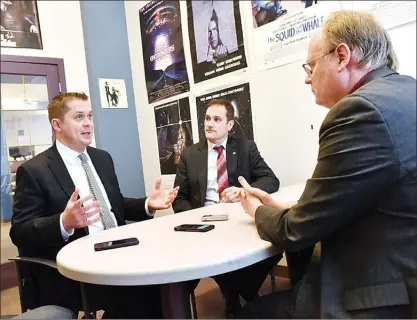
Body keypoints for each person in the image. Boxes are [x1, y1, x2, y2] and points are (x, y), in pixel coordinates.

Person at [238, 11, 416, 318]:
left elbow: (296, 232)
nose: (307, 77)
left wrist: (255, 210)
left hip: (384, 291)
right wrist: (286, 207)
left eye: (310, 65)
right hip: (403, 258)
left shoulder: (359, 111)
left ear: (342, 56)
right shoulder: (406, 90)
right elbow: (364, 192)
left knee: (251, 313)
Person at [10, 92, 179, 319]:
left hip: (120, 251)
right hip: (74, 268)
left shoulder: (102, 158)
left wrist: (148, 204)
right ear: (57, 125)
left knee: (170, 281)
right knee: (144, 294)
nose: (88, 123)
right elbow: (20, 232)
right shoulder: (34, 170)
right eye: (79, 117)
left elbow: (113, 205)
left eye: (90, 116)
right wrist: (63, 222)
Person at [173, 99, 281, 318]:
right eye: (207, 118)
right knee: (212, 253)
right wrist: (197, 218)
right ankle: (238, 295)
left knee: (274, 246)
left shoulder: (245, 147)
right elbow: (179, 198)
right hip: (205, 224)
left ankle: (238, 291)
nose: (209, 124)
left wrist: (244, 191)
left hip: (238, 219)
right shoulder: (190, 155)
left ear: (230, 125)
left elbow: (271, 180)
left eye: (217, 119)